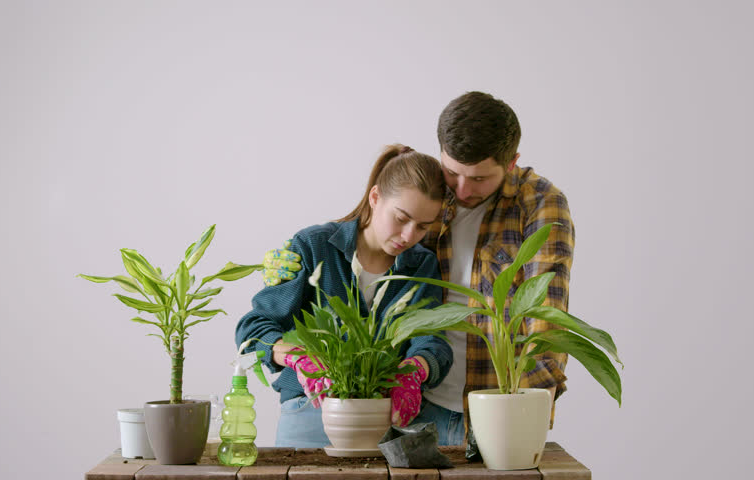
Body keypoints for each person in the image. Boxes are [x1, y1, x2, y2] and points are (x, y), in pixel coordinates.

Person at [263, 92, 576, 449]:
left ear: (511, 163)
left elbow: (546, 319)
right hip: (411, 408)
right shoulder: (430, 192)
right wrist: (289, 262)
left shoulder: (539, 204)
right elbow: (375, 235)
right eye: (453, 172)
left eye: (478, 179)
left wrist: (525, 412)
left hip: (492, 407)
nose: (460, 189)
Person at [236, 144, 454, 448]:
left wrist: (416, 370)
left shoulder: (422, 264)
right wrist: (297, 357)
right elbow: (253, 329)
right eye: (401, 218)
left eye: (422, 226)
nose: (409, 236)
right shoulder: (314, 246)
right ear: (375, 197)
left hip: (386, 418)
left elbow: (431, 338)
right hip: (310, 410)